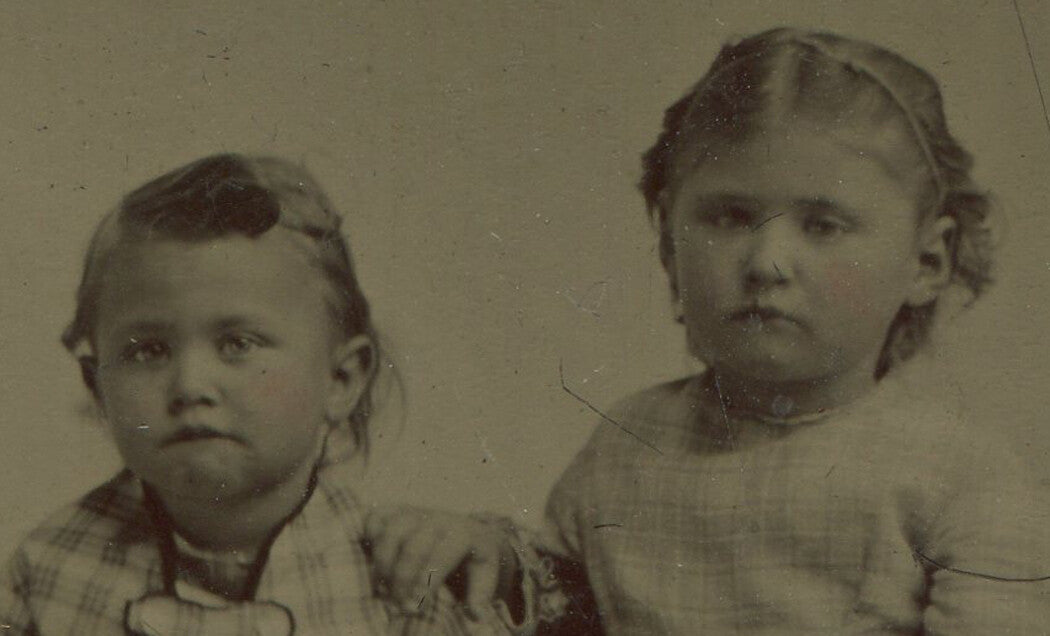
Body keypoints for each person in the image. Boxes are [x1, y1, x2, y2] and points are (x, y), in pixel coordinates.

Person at [367, 28, 1050, 634]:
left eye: (823, 225)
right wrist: (495, 560)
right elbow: (567, 606)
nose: (766, 262)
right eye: (727, 217)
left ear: (927, 262)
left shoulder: (961, 481)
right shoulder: (628, 445)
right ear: (668, 244)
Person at [0, 154, 513, 635]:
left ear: (342, 380)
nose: (191, 386)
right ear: (97, 386)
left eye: (238, 344)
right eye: (149, 350)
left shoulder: (400, 578)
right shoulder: (47, 570)